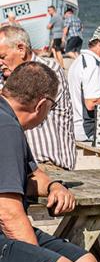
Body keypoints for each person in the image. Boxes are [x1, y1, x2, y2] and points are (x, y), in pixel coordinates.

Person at [0, 62, 98, 262]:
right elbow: (7, 211)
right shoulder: (5, 127)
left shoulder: (9, 121)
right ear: (42, 104)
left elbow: (32, 175)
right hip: (4, 227)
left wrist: (54, 185)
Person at [0, 25, 76, 170]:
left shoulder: (46, 70)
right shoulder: (7, 75)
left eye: (2, 57)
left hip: (47, 164)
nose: (0, 63)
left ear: (21, 49)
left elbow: (18, 107)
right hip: (21, 163)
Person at [68, 24, 100, 142]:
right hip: (88, 130)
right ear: (99, 43)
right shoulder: (92, 65)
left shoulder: (80, 60)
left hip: (76, 126)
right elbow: (91, 103)